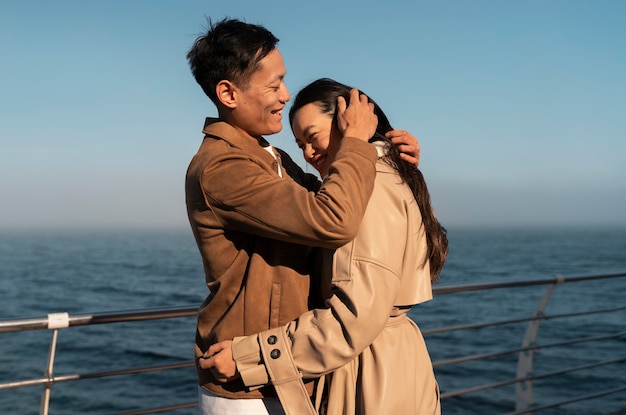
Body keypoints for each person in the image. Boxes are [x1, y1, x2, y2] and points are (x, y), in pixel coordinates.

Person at [185, 19, 420, 414]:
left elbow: (354, 204)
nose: (285, 94)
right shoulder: (223, 167)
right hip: (245, 383)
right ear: (228, 93)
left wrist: (393, 159)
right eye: (274, 85)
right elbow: (333, 219)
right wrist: (360, 144)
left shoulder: (272, 159)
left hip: (285, 369)